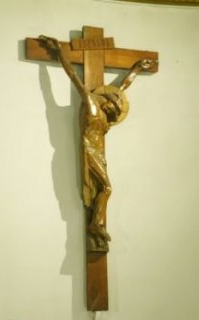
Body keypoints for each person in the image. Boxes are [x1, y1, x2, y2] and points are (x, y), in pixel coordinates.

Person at [38, 35, 153, 252]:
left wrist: (135, 70)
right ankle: (96, 225)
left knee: (105, 189)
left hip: (99, 155)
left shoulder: (105, 120)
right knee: (107, 188)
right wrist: (60, 52)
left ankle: (96, 225)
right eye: (114, 106)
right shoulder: (91, 106)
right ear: (105, 102)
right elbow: (74, 76)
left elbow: (122, 88)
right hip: (89, 152)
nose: (116, 110)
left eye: (117, 110)